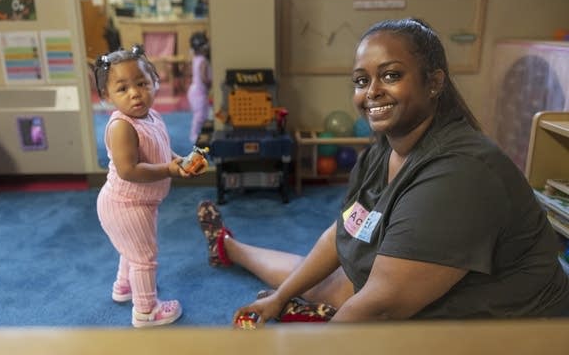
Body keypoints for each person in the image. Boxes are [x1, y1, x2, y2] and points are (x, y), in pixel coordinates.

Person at [195, 18, 569, 326]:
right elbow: (342, 234)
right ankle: (229, 246)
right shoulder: (382, 149)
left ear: (434, 82)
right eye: (361, 80)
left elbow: (382, 307)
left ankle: (315, 308)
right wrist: (279, 299)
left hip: (512, 329)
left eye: (390, 76)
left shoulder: (459, 174)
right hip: (417, 288)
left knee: (352, 298)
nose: (371, 91)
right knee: (333, 281)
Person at [94, 45, 206, 328]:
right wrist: (169, 170)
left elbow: (160, 149)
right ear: (107, 96)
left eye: (142, 83)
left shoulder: (153, 117)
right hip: (124, 203)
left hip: (140, 202)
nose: (135, 93)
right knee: (144, 257)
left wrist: (179, 160)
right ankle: (145, 311)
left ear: (155, 82)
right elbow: (129, 170)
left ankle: (124, 287)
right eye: (122, 89)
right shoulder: (121, 127)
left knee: (130, 248)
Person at [187, 31, 212, 144]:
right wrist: (210, 82)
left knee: (203, 114)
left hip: (195, 91)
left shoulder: (196, 58)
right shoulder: (203, 61)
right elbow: (203, 77)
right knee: (200, 116)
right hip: (198, 93)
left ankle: (199, 134)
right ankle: (194, 137)